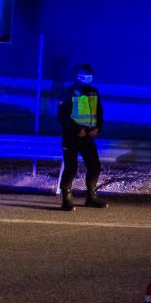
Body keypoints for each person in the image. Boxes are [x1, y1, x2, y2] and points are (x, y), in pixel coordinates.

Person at [56, 63, 107, 211]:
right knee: (71, 167)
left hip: (88, 137)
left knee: (95, 166)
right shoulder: (68, 92)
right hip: (71, 136)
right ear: (76, 75)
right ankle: (66, 199)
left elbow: (99, 112)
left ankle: (91, 197)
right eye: (83, 74)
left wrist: (98, 128)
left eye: (89, 74)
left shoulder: (93, 92)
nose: (86, 77)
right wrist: (77, 129)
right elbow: (62, 116)